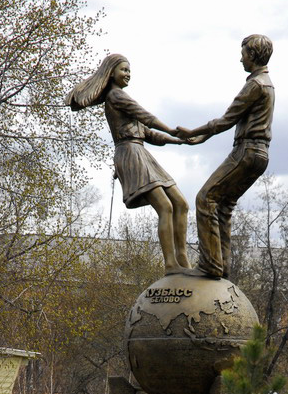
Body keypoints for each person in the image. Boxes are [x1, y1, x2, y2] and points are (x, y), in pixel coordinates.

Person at [67, 54, 194, 275]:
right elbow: (147, 117)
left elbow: (150, 134)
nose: (128, 74)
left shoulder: (122, 100)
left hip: (142, 153)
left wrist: (180, 140)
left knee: (181, 204)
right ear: (112, 72)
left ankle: (183, 257)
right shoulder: (116, 96)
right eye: (124, 70)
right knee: (165, 207)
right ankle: (171, 264)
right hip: (130, 154)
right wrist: (172, 129)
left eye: (129, 71)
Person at [174, 34, 275, 279]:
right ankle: (222, 266)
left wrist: (195, 132)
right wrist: (203, 138)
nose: (240, 59)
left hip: (247, 150)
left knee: (205, 198)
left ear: (252, 55)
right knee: (224, 205)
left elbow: (227, 119)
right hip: (261, 155)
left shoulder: (256, 84)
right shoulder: (267, 83)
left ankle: (210, 264)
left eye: (243, 54)